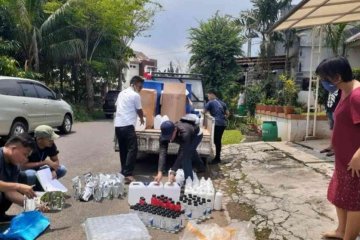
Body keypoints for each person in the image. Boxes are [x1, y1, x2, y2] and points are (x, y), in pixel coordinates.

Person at [316, 57, 360, 240]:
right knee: (339, 195)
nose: (323, 83)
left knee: (354, 203)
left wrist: (358, 155)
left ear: (337, 77)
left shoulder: (357, 97)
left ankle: (348, 237)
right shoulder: (344, 91)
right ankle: (341, 230)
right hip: (342, 159)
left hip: (354, 162)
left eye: (325, 79)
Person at [154, 117, 205, 183]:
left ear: (175, 130)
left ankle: (189, 181)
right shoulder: (163, 135)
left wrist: (173, 171)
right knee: (190, 150)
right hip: (183, 137)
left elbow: (182, 153)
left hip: (196, 135)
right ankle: (201, 167)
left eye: (170, 136)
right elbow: (162, 152)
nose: (169, 140)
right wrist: (160, 172)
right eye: (166, 137)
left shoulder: (185, 134)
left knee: (186, 156)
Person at [114, 76, 145, 184]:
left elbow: (117, 106)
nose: (141, 89)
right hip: (127, 125)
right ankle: (128, 174)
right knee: (133, 149)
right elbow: (139, 110)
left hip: (118, 125)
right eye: (140, 86)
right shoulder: (135, 95)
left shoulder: (122, 93)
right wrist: (141, 118)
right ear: (135, 84)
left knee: (123, 149)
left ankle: (123, 171)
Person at [0, 134, 37, 222]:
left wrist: (34, 205)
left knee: (21, 179)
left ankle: (0, 216)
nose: (26, 159)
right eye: (25, 154)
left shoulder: (14, 165)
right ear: (13, 148)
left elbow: (10, 193)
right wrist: (18, 186)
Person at [204, 89, 229, 164]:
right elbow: (227, 114)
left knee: (216, 141)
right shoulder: (222, 103)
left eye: (208, 95)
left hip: (217, 124)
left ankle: (217, 158)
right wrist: (223, 117)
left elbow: (203, 112)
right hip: (223, 124)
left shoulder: (210, 102)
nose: (208, 97)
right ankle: (217, 157)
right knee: (218, 140)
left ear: (212, 94)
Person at [319, 88, 341, 157]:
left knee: (338, 130)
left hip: (336, 109)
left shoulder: (340, 87)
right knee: (332, 129)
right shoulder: (328, 86)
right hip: (329, 109)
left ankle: (336, 148)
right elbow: (326, 96)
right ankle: (331, 146)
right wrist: (326, 108)